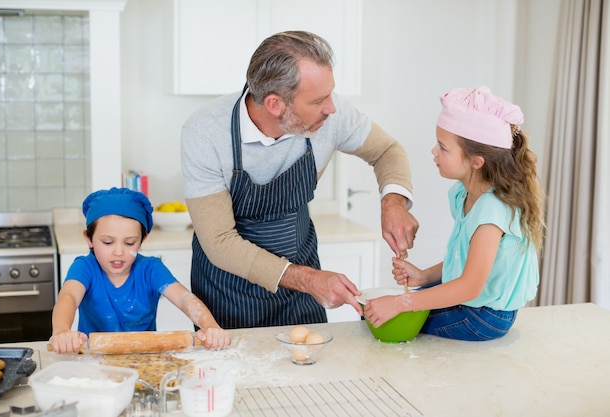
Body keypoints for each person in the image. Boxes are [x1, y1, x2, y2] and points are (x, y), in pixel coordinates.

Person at [180, 31, 419, 329]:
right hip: (228, 291)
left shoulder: (332, 114)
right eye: (319, 100)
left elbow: (386, 150)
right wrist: (307, 279)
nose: (331, 107)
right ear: (275, 105)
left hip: (302, 291)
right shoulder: (205, 132)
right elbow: (219, 242)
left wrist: (393, 202)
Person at [363, 87, 545, 341]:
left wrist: (402, 302)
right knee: (382, 308)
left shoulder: (492, 211)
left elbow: (470, 286)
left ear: (476, 161)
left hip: (484, 317)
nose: (433, 152)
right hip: (473, 303)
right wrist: (424, 276)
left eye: (443, 147)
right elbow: (466, 262)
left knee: (377, 314)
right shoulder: (464, 194)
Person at [49, 187, 231, 353]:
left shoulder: (150, 269)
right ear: (89, 239)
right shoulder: (85, 267)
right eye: (107, 242)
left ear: (142, 241)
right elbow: (69, 297)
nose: (118, 252)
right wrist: (61, 331)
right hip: (93, 359)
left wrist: (210, 326)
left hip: (144, 357)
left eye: (129, 243)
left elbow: (184, 299)